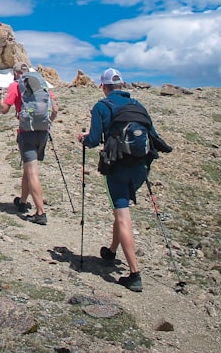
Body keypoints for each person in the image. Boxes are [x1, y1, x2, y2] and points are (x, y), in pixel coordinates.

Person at [77, 68, 152, 292]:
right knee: (121, 212)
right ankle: (111, 251)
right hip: (140, 167)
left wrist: (83, 137)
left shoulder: (102, 106)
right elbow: (153, 135)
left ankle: (134, 273)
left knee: (122, 214)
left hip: (117, 166)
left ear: (103, 86)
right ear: (122, 85)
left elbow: (92, 140)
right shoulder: (138, 106)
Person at [0, 62, 59, 225]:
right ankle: (23, 202)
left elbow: (4, 109)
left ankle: (40, 213)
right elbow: (54, 109)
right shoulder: (42, 84)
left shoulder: (15, 85)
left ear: (15, 73)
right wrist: (47, 124)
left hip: (26, 133)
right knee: (28, 167)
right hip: (43, 132)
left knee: (32, 171)